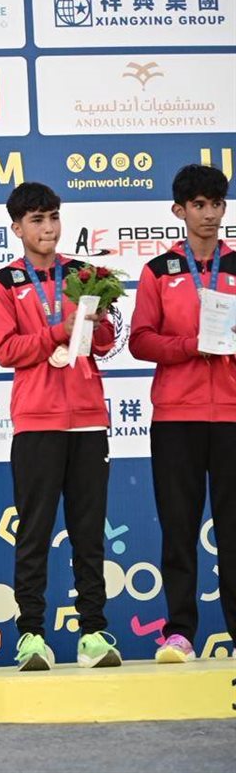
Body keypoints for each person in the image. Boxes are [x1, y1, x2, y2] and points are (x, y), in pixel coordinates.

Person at [0, 182, 122, 670]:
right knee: (34, 533)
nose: (48, 228)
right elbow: (6, 350)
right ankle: (31, 636)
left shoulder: (85, 275)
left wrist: (97, 322)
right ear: (17, 228)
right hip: (36, 422)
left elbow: (104, 344)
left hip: (88, 419)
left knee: (88, 534)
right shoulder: (4, 282)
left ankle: (93, 634)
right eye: (37, 220)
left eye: (53, 218)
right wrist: (56, 333)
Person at [130, 163, 235, 663]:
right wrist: (192, 346)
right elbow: (140, 340)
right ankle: (179, 634)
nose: (209, 214)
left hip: (232, 415)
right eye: (198, 205)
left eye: (216, 204)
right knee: (179, 530)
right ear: (179, 210)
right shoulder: (158, 271)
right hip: (176, 417)